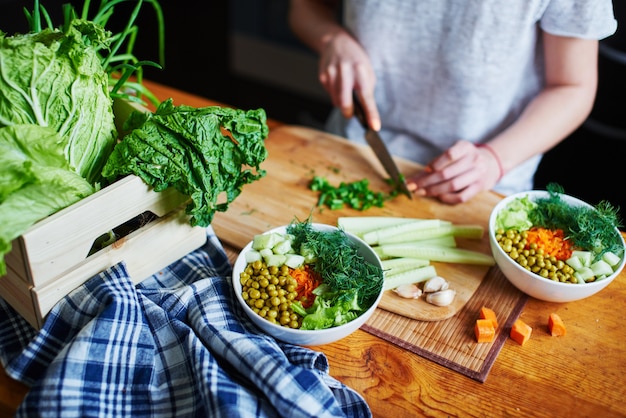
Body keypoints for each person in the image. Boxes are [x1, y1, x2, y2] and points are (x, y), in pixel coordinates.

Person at [288, 0, 617, 204]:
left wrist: (492, 160)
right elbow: (304, 8)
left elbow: (572, 87)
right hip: (349, 155)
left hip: (481, 187)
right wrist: (331, 38)